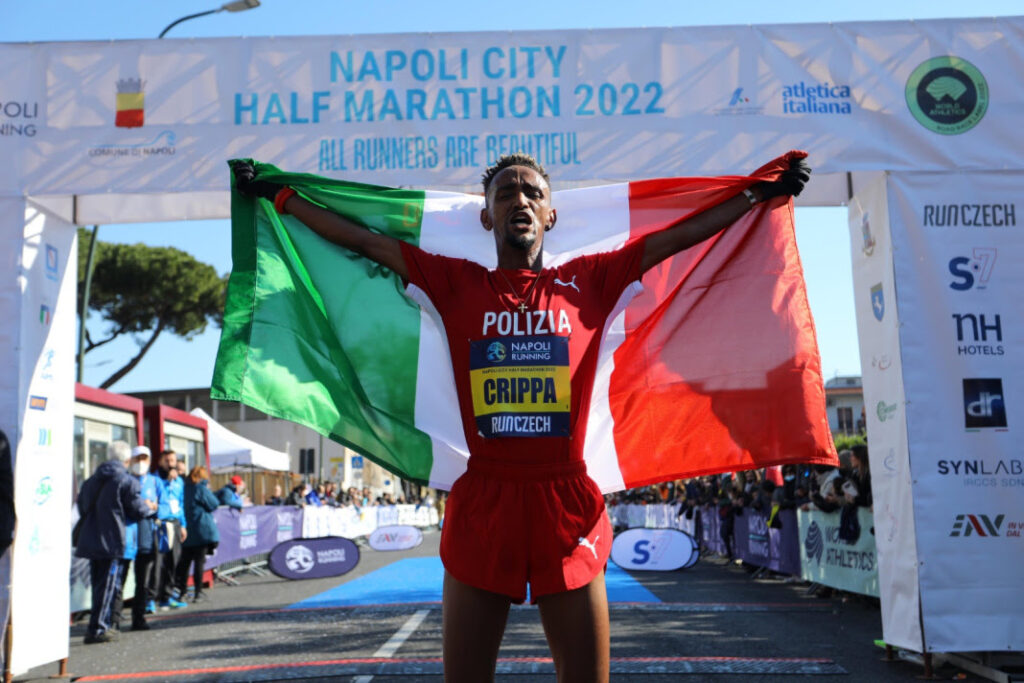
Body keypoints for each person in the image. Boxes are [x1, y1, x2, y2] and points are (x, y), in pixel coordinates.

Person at [233, 150, 810, 681]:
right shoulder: (455, 283)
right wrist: (281, 198)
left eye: (532, 192)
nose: (520, 200)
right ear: (486, 218)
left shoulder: (591, 281)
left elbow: (678, 236)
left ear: (551, 214)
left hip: (565, 503)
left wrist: (756, 195)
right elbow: (364, 241)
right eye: (505, 194)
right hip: (486, 499)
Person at [75, 441, 155, 643]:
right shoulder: (126, 481)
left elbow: (82, 506)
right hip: (113, 540)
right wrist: (150, 508)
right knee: (109, 585)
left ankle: (97, 626)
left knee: (97, 585)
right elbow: (138, 510)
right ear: (127, 460)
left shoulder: (92, 480)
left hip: (92, 538)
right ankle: (98, 628)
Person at [178, 466, 220, 603]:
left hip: (186, 530)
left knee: (185, 563)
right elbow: (214, 504)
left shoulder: (183, 488)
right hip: (200, 530)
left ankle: (182, 591)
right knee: (199, 563)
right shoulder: (200, 488)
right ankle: (197, 592)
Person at [156, 450, 188, 608]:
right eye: (167, 460)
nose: (170, 464)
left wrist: (183, 525)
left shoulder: (179, 482)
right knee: (157, 562)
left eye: (173, 460)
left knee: (173, 561)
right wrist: (167, 481)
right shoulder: (156, 479)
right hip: (159, 523)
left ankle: (167, 596)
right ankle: (151, 598)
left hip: (175, 522)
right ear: (161, 461)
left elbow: (180, 504)